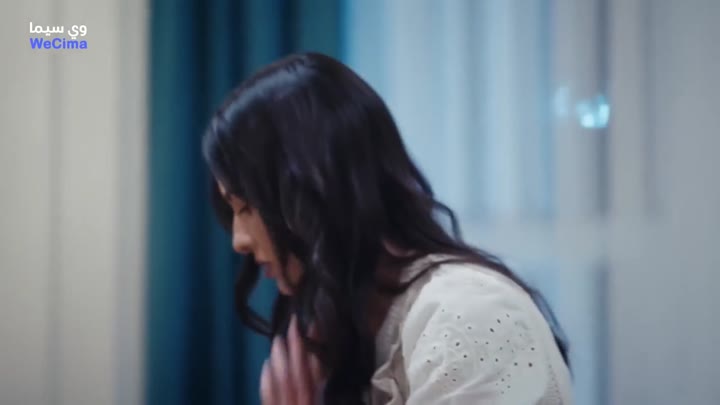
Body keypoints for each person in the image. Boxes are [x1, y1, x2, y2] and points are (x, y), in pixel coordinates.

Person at [202, 52, 573, 404]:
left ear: (315, 190)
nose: (239, 241)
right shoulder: (357, 330)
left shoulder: (468, 316)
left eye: (246, 206)